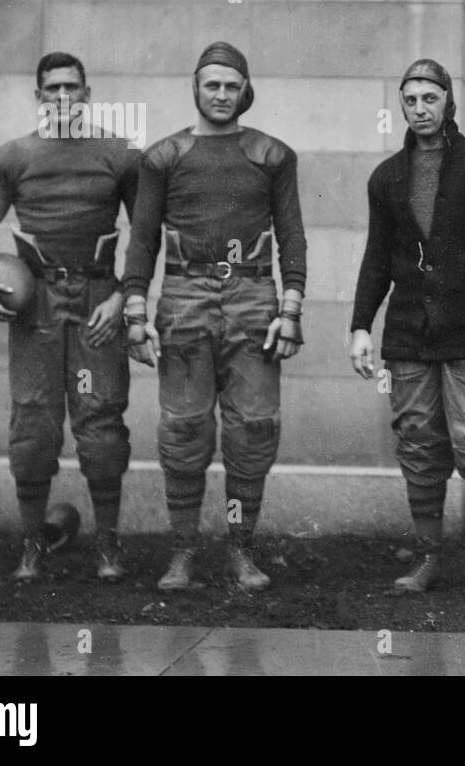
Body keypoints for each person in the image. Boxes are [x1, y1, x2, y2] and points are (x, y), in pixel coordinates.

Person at [123, 41, 306, 593]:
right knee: (183, 429)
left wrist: (291, 308)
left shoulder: (272, 155)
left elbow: (292, 236)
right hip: (183, 296)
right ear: (196, 88)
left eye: (231, 86)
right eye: (212, 85)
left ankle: (241, 552)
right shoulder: (163, 157)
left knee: (252, 429)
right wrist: (136, 309)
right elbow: (143, 238)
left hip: (253, 295)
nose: (221, 95)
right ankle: (182, 554)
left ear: (244, 90)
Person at [349, 59, 465, 598]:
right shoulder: (387, 177)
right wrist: (360, 326)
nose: (420, 108)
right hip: (408, 336)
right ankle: (428, 559)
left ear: (449, 101)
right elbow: (377, 256)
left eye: (430, 97)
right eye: (411, 99)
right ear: (400, 105)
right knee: (420, 447)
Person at [0, 52, 138, 582]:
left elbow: (147, 236)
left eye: (72, 89)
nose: (63, 98)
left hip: (98, 298)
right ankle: (32, 544)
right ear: (38, 97)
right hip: (36, 303)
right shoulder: (12, 158)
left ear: (88, 93)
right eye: (52, 90)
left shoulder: (121, 155)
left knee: (101, 422)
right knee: (34, 423)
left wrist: (125, 296)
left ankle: (108, 545)